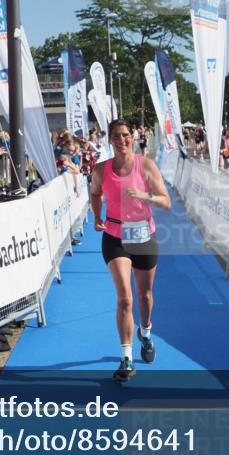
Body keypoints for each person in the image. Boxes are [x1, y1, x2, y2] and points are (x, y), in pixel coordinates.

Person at [90, 118, 172, 382]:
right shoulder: (101, 169)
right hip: (115, 236)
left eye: (126, 135)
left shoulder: (146, 166)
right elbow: (95, 193)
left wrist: (145, 196)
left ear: (133, 137)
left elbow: (166, 202)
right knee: (125, 298)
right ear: (110, 139)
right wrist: (96, 216)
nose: (122, 140)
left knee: (144, 296)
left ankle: (145, 333)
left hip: (144, 235)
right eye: (116, 136)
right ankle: (126, 358)